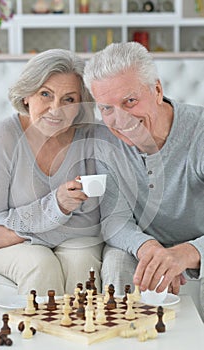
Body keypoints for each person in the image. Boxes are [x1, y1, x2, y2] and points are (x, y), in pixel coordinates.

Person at [84, 42, 204, 317]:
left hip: (198, 244)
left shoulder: (200, 132)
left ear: (157, 90)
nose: (120, 119)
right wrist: (148, 249)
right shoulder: (105, 142)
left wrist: (185, 253)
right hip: (144, 245)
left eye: (130, 101)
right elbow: (115, 221)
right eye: (107, 108)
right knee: (116, 261)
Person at [0, 49, 103, 296]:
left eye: (69, 99)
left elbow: (90, 223)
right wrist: (58, 206)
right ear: (27, 96)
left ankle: (83, 334)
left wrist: (20, 234)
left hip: (25, 236)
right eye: (45, 94)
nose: (56, 109)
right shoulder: (2, 136)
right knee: (41, 265)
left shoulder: (91, 136)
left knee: (82, 263)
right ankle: (33, 334)